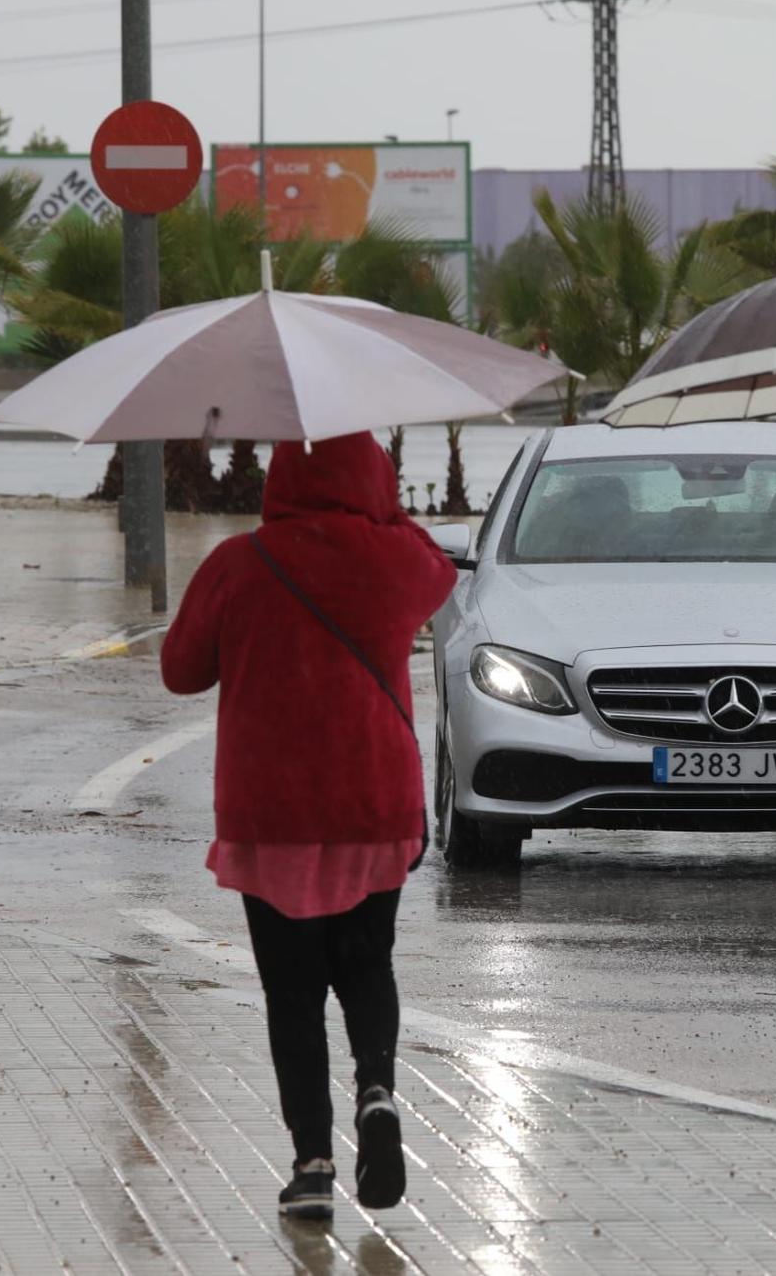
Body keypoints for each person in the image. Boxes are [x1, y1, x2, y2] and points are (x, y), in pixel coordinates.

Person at [161, 431, 456, 1220]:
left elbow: (178, 668)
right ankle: (377, 1089)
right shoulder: (392, 561)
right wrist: (385, 513)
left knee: (291, 992)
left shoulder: (239, 562)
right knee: (368, 965)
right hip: (372, 805)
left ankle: (313, 1163)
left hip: (274, 814)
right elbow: (438, 567)